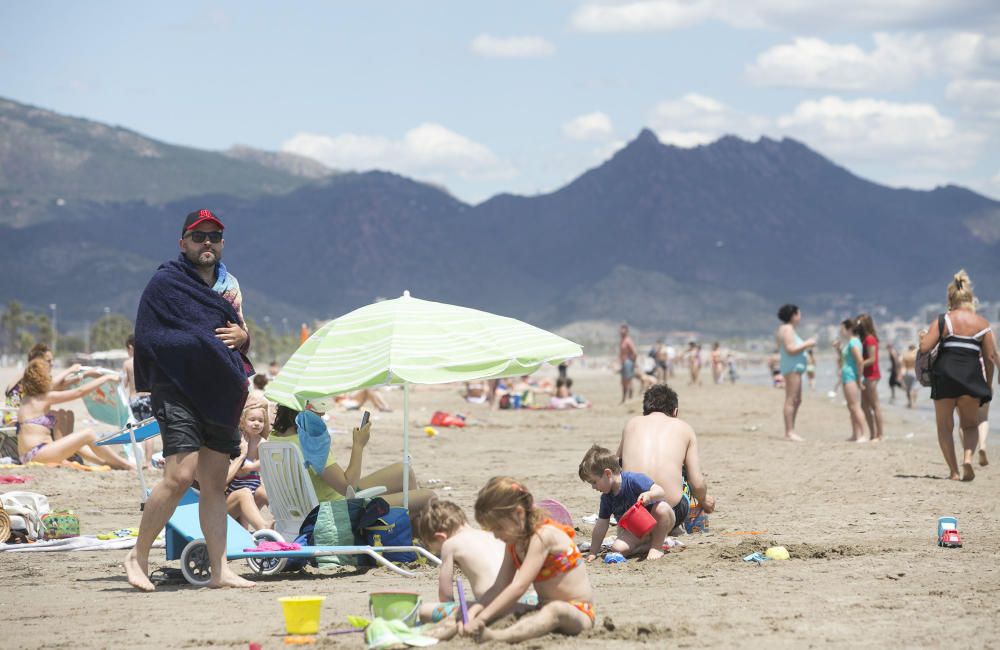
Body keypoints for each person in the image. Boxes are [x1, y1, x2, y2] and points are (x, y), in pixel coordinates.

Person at [124, 209, 255, 592]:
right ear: (184, 243)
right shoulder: (165, 283)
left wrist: (244, 338)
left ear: (222, 243)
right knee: (180, 476)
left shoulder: (229, 286)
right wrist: (200, 341)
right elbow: (149, 337)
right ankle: (137, 555)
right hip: (177, 389)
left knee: (214, 483)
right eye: (199, 237)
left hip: (221, 392)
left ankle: (219, 569)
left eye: (214, 236)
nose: (207, 243)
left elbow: (242, 332)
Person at [436, 476, 594, 643]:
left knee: (555, 610)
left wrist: (482, 618)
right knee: (467, 608)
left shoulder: (542, 536)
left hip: (577, 612)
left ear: (519, 513)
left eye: (499, 528)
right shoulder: (513, 543)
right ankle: (436, 634)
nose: (495, 535)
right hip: (541, 608)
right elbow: (499, 587)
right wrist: (475, 611)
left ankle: (497, 637)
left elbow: (519, 586)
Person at [269, 403, 434, 511]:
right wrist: (358, 445)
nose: (323, 413)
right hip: (336, 510)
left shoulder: (276, 438)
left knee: (403, 471)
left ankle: (408, 532)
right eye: (319, 409)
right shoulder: (308, 442)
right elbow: (348, 488)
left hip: (315, 503)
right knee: (428, 496)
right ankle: (413, 534)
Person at [918, 270, 998, 481]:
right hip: (971, 379)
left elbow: (926, 347)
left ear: (950, 300)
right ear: (971, 299)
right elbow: (990, 358)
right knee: (970, 425)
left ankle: (953, 472)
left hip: (945, 377)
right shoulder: (982, 324)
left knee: (945, 426)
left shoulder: (943, 320)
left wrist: (922, 338)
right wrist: (987, 384)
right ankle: (968, 458)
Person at [413, 499, 537, 624]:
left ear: (440, 537)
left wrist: (453, 611)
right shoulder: (493, 535)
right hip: (520, 599)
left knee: (424, 611)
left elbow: (445, 593)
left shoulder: (450, 544)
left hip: (489, 606)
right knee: (534, 595)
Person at [615, 384, 716, 527]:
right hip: (669, 513)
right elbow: (698, 484)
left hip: (629, 512)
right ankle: (695, 527)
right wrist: (704, 500)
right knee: (688, 476)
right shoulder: (685, 428)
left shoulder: (632, 424)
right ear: (675, 411)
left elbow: (615, 464)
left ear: (645, 410)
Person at [16, 358, 133, 468]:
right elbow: (79, 392)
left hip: (28, 455)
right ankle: (125, 465)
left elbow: (56, 384)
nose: (50, 377)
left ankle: (105, 463)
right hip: (38, 453)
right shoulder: (44, 398)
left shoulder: (27, 398)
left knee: (74, 440)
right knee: (89, 434)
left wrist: (73, 371)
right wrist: (105, 378)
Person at [579, 445, 678, 561]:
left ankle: (656, 547)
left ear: (607, 474)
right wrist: (593, 552)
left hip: (657, 522)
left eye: (594, 482)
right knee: (617, 549)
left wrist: (649, 495)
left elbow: (660, 492)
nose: (593, 487)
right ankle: (648, 545)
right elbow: (601, 525)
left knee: (662, 508)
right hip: (634, 529)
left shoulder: (634, 480)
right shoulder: (606, 498)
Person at [224, 399, 271, 531]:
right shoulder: (236, 442)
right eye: (252, 420)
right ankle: (263, 528)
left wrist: (250, 467)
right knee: (245, 494)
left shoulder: (261, 442)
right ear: (242, 423)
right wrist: (242, 457)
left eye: (260, 421)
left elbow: (267, 461)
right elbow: (223, 481)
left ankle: (283, 521)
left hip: (251, 489)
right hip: (230, 497)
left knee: (263, 492)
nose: (257, 423)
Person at [775, 305, 817, 442]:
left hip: (794, 367)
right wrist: (807, 343)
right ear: (793, 315)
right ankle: (789, 431)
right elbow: (790, 349)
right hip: (792, 367)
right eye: (799, 314)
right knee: (791, 399)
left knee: (797, 399)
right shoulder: (787, 329)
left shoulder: (788, 329)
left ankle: (791, 429)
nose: (800, 317)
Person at [123, 334, 157, 466]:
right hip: (149, 398)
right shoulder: (149, 360)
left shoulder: (127, 363)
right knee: (149, 432)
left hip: (134, 399)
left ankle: (136, 460)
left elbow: (123, 384)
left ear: (130, 347)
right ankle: (148, 462)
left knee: (135, 430)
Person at [836, 319, 869, 442]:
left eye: (842, 328)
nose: (840, 331)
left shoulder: (853, 342)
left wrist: (859, 379)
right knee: (851, 406)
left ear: (849, 329)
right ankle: (855, 434)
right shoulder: (849, 343)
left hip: (851, 377)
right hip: (847, 376)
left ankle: (864, 434)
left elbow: (860, 361)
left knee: (855, 406)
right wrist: (838, 350)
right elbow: (846, 361)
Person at [856, 313, 884, 442]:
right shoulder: (864, 339)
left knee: (874, 405)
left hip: (872, 374)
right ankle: (873, 434)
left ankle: (880, 435)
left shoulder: (870, 339)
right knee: (864, 405)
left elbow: (872, 359)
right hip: (866, 374)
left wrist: (859, 363)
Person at [618, 324, 637, 403]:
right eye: (620, 330)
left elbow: (635, 352)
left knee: (628, 382)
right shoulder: (622, 340)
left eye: (623, 330)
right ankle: (625, 399)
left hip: (628, 362)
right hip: (624, 362)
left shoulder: (628, 340)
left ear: (626, 331)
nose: (621, 332)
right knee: (624, 382)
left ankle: (629, 399)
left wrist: (632, 362)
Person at [901, 344, 918, 408]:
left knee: (908, 389)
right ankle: (914, 403)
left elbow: (902, 366)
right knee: (914, 389)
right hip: (914, 372)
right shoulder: (916, 355)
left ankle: (909, 402)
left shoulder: (905, 355)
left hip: (907, 372)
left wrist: (902, 375)